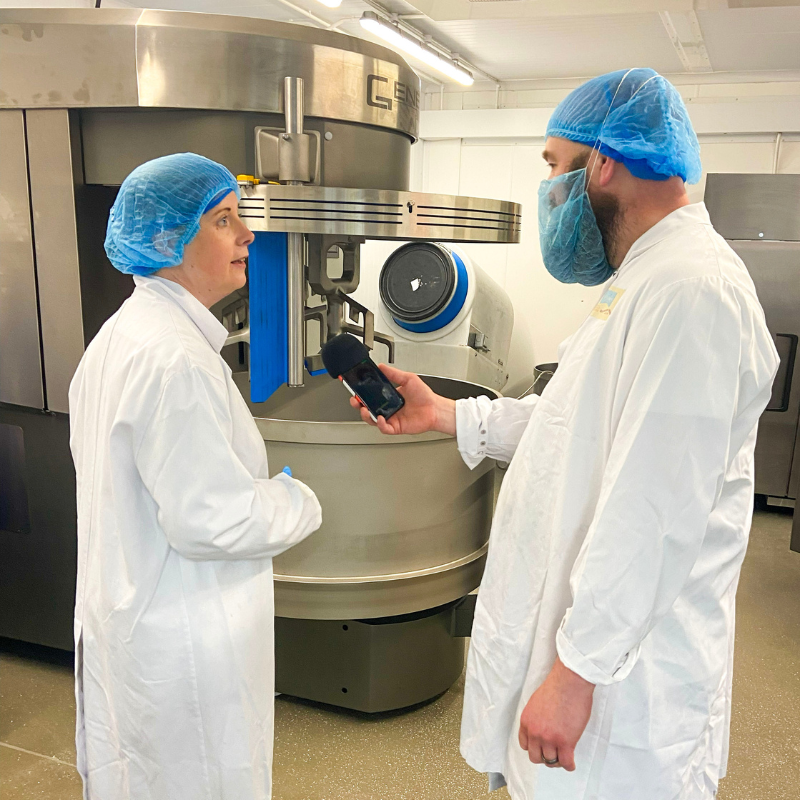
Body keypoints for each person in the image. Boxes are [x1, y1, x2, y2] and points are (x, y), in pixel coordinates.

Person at [351, 69, 779, 799]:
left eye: (554, 166)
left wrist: (577, 674)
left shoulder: (692, 289)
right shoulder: (645, 278)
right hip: (587, 655)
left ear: (602, 164)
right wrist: (447, 413)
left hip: (621, 689)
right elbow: (573, 428)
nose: (551, 189)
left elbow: (654, 506)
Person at [68, 153, 322, 800]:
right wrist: (297, 501)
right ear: (168, 239)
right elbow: (211, 520)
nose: (248, 236)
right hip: (182, 642)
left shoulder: (120, 337)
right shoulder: (176, 360)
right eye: (223, 220)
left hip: (136, 624)